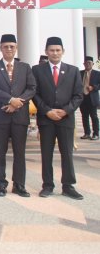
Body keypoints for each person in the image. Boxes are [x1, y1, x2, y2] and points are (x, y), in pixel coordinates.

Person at [32, 37, 84, 199]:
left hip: (65, 119)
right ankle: (47, 185)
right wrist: (47, 111)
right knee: (46, 153)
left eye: (58, 50)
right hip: (46, 119)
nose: (55, 53)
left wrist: (65, 111)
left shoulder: (73, 70)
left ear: (63, 52)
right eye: (52, 50)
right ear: (46, 52)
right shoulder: (37, 70)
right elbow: (35, 94)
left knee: (67, 153)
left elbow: (78, 95)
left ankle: (68, 186)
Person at [0, 34, 36, 197]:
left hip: (19, 116)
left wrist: (17, 103)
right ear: (0, 48)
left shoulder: (25, 67)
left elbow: (32, 88)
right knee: (0, 152)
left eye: (12, 46)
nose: (9, 49)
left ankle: (19, 184)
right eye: (5, 46)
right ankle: (0, 184)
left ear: (16, 48)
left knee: (20, 152)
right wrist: (10, 100)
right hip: (0, 116)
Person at [79, 56, 100, 140]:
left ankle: (96, 134)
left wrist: (94, 87)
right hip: (83, 98)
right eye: (86, 63)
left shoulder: (97, 73)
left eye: (89, 63)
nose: (87, 64)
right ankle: (87, 133)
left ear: (93, 64)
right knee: (84, 116)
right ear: (83, 64)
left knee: (94, 116)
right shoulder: (80, 73)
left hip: (92, 98)